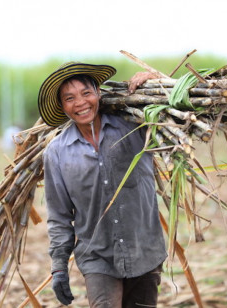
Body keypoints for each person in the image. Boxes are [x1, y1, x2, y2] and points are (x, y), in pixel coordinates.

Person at [38, 62, 167, 307]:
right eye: (69, 98)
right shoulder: (56, 153)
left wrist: (156, 79)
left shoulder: (135, 126)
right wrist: (59, 268)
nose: (80, 103)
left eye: (86, 93)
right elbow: (59, 217)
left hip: (145, 250)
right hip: (97, 257)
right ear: (62, 106)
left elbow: (178, 110)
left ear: (98, 93)